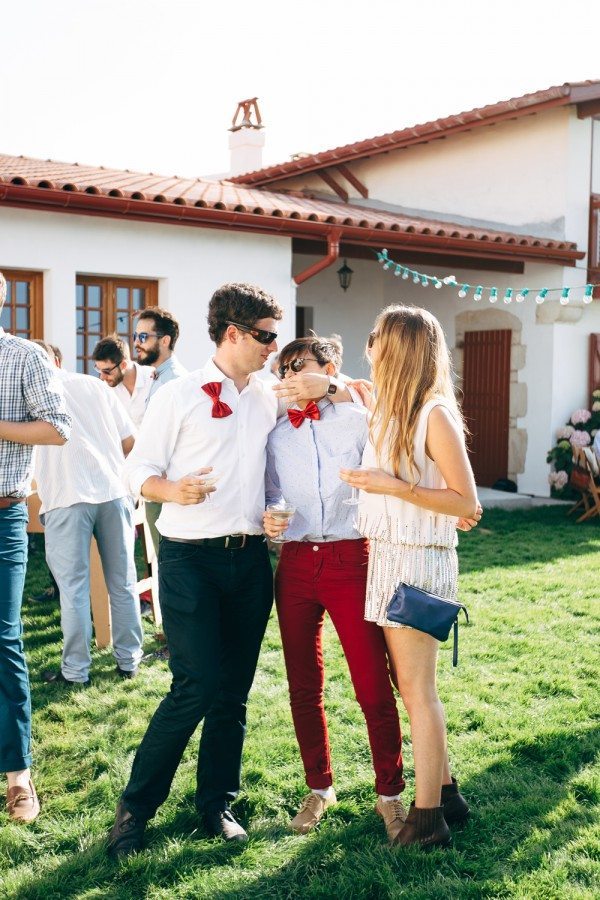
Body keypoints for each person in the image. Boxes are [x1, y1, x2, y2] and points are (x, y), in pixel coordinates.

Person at [340, 305, 478, 850]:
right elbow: (351, 390)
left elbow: (465, 499)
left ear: (396, 347)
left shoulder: (434, 414)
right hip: (389, 557)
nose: (368, 344)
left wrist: (392, 486)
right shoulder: (391, 408)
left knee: (420, 693)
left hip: (419, 562)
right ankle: (447, 795)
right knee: (409, 687)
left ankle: (427, 820)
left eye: (376, 336)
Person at [264, 335, 407, 843]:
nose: (289, 376)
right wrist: (270, 516)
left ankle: (390, 794)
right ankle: (319, 787)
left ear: (328, 369)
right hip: (295, 562)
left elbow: (394, 424)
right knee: (303, 684)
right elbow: (269, 491)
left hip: (352, 557)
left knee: (372, 683)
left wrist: (337, 390)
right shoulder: (275, 433)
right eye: (283, 369)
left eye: (298, 366)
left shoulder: (361, 418)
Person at [0, 274, 71, 823]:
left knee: (3, 640)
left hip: (3, 514)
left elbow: (57, 428)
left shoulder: (24, 357)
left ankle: (18, 775)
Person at [34, 343, 144, 686]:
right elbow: (130, 440)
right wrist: (109, 464)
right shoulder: (95, 385)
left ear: (52, 360)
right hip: (113, 491)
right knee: (123, 582)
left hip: (66, 496)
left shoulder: (29, 392)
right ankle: (129, 660)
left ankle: (75, 671)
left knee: (73, 590)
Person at [133, 308, 188, 556]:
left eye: (143, 337)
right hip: (159, 488)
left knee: (169, 565)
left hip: (166, 490)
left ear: (165, 341)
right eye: (135, 336)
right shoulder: (159, 377)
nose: (136, 343)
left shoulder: (173, 382)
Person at [92, 335, 154, 428]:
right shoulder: (106, 390)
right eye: (99, 370)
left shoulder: (153, 378)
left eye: (106, 371)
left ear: (123, 365)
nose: (102, 377)